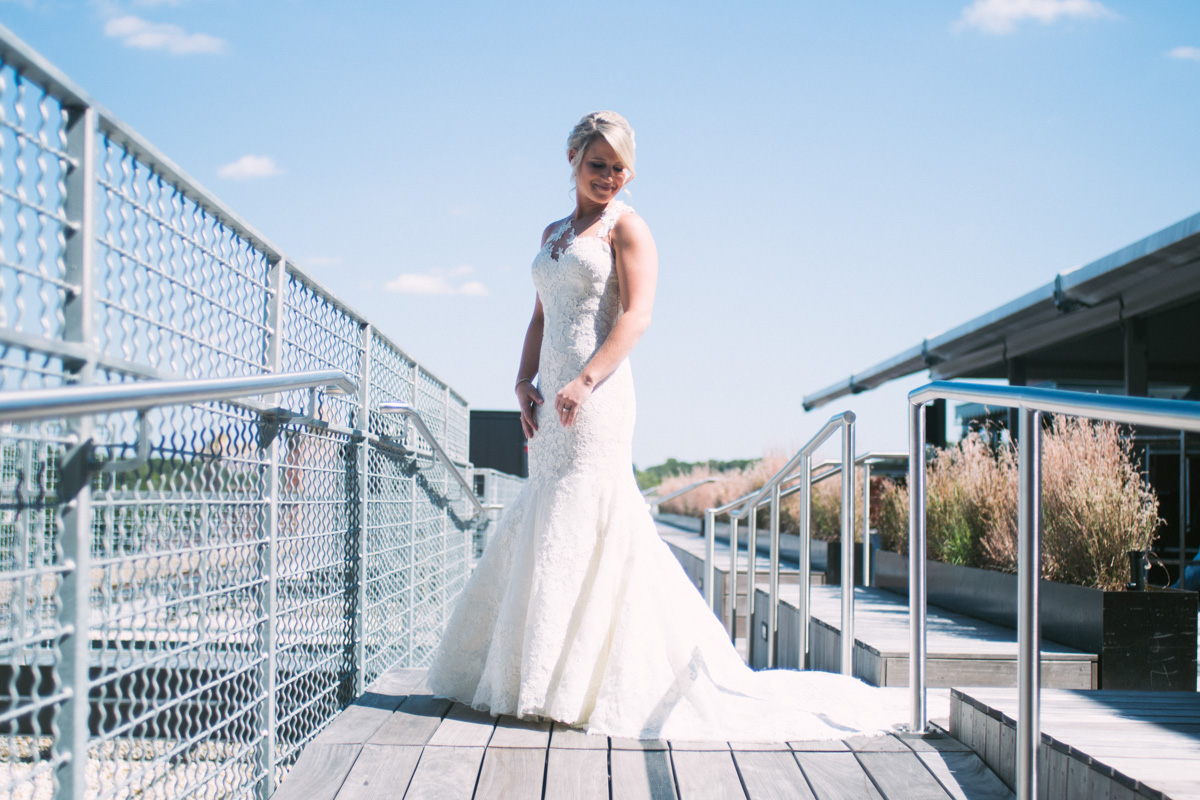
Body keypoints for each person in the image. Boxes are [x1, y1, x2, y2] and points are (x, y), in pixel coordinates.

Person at [427, 111, 903, 741]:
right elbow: (540, 317)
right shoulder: (552, 232)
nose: (609, 178)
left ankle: (583, 682)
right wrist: (523, 381)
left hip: (597, 397)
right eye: (598, 164)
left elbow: (638, 317)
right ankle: (529, 675)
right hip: (550, 399)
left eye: (620, 167)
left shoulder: (629, 227)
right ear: (571, 159)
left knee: (589, 514)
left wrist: (585, 381)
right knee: (547, 517)